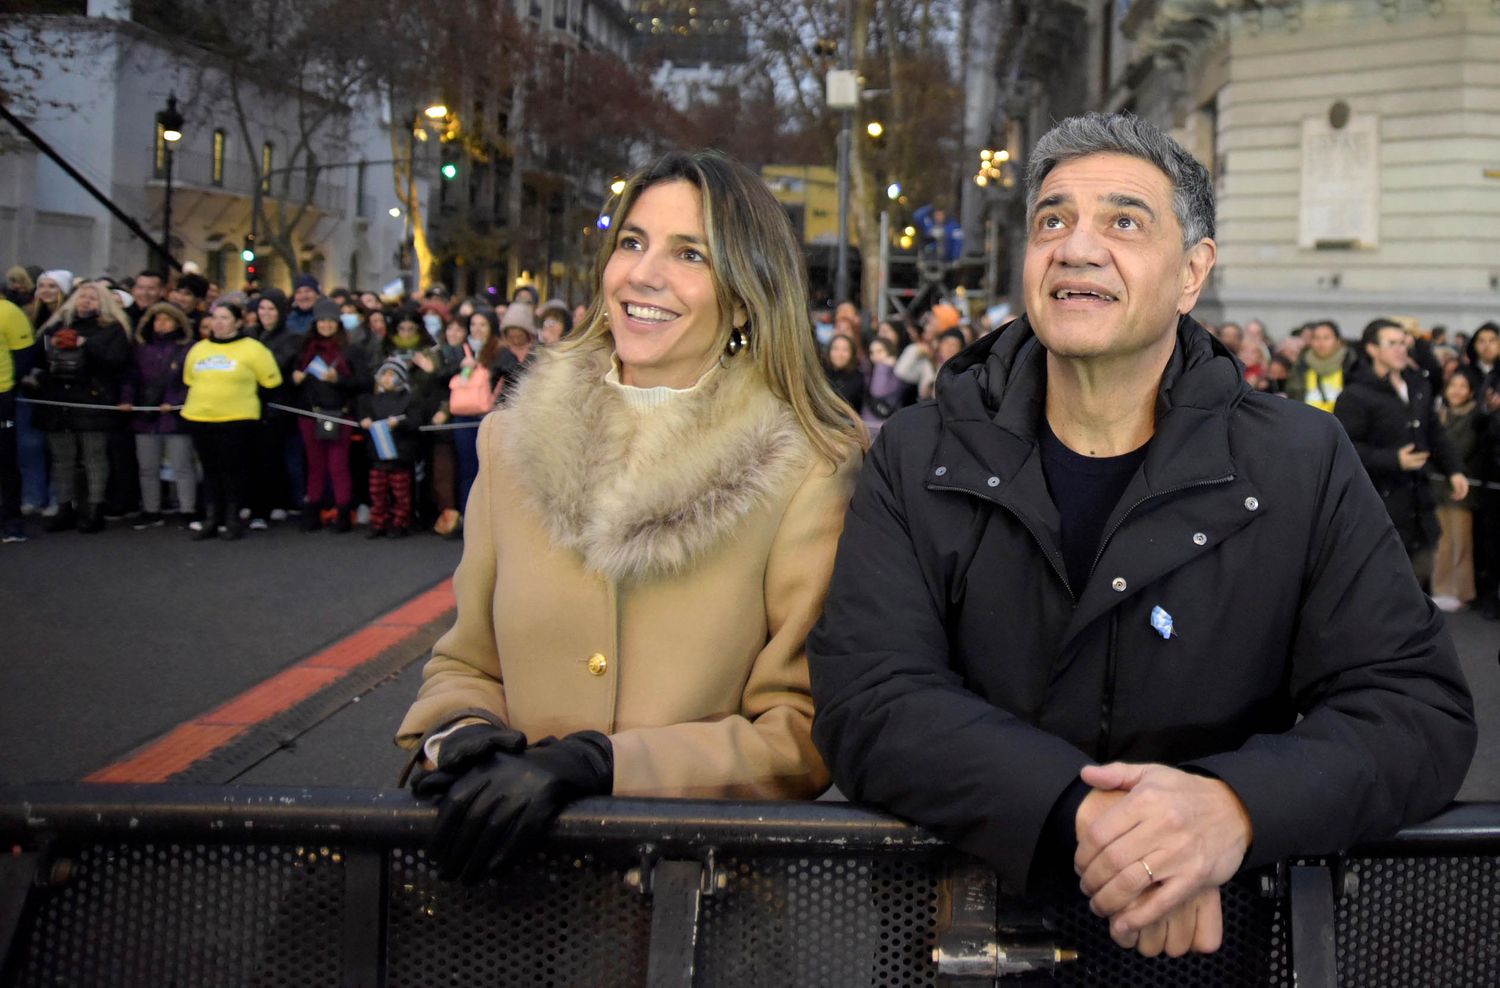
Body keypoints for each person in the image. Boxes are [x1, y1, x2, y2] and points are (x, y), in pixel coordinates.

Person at [807, 112, 1475, 961]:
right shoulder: (916, 451)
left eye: (1124, 222)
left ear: (1193, 273)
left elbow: (1414, 707)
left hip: (1210, 952)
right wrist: (1090, 818)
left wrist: (1230, 806)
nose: (1077, 248)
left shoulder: (1301, 462)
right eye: (1053, 220)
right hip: (959, 943)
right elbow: (868, 695)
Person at [396, 149, 865, 884]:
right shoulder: (509, 439)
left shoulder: (809, 469)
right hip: (505, 897)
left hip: (691, 906)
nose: (644, 274)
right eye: (632, 242)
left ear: (745, 295)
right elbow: (466, 660)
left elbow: (801, 738)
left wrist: (604, 766)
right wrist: (459, 733)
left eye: (690, 255)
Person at [1334, 318, 1469, 586]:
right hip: (1380, 505)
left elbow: (1434, 432)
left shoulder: (1417, 385)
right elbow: (1346, 450)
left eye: (1403, 343)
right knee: (1382, 586)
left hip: (1419, 503)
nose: (1400, 349)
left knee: (1419, 585)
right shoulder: (1356, 395)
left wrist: (1454, 469)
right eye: (1392, 344)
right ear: (1372, 349)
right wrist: (1394, 459)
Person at [34, 281, 132, 533]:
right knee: (62, 458)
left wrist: (86, 345)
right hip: (58, 398)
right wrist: (53, 344)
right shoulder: (57, 325)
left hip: (93, 398)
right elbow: (39, 356)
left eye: (92, 297)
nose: (86, 301)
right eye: (82, 296)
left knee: (94, 457)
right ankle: (65, 507)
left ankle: (95, 508)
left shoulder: (113, 329)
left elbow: (116, 362)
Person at [180, 301, 282, 540]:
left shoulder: (253, 349)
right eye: (215, 317)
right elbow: (189, 379)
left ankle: (232, 517)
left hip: (237, 419)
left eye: (225, 318)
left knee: (233, 470)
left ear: (238, 322)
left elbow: (271, 383)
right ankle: (213, 518)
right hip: (200, 416)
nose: (218, 322)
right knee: (210, 469)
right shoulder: (198, 349)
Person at [292, 298, 368, 532]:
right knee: (315, 465)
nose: (326, 325)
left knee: (338, 465)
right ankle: (313, 510)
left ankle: (343, 513)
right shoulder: (304, 349)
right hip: (309, 414)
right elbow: (292, 380)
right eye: (322, 320)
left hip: (338, 414)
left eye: (330, 321)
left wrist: (339, 380)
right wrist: (295, 379)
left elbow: (364, 382)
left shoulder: (350, 349)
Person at [119, 302, 195, 529]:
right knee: (147, 467)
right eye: (157, 320)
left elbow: (190, 380)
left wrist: (174, 402)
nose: (162, 324)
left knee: (182, 465)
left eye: (167, 320)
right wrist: (127, 400)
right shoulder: (140, 348)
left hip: (175, 415)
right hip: (145, 413)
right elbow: (131, 377)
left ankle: (187, 508)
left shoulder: (188, 348)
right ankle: (151, 509)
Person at [1430, 369, 1485, 612]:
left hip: (1463, 490)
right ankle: (1441, 588)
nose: (1457, 391)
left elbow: (1460, 449)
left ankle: (1462, 590)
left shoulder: (1476, 417)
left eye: (1463, 386)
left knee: (1461, 543)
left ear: (1471, 391)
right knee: (1442, 542)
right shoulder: (1439, 414)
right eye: (1453, 385)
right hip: (1438, 488)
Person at [357, 359, 420, 538]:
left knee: (401, 492)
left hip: (401, 454)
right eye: (384, 374)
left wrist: (399, 423)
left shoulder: (410, 399)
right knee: (377, 491)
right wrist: (365, 422)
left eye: (392, 374)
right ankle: (378, 522)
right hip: (378, 454)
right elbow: (364, 416)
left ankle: (400, 522)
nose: (387, 378)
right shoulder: (372, 400)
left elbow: (416, 421)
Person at [0, 292, 39, 542]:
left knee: (5, 458)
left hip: (1, 395)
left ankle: (12, 519)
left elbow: (24, 355)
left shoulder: (8, 311)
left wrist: (10, 387)